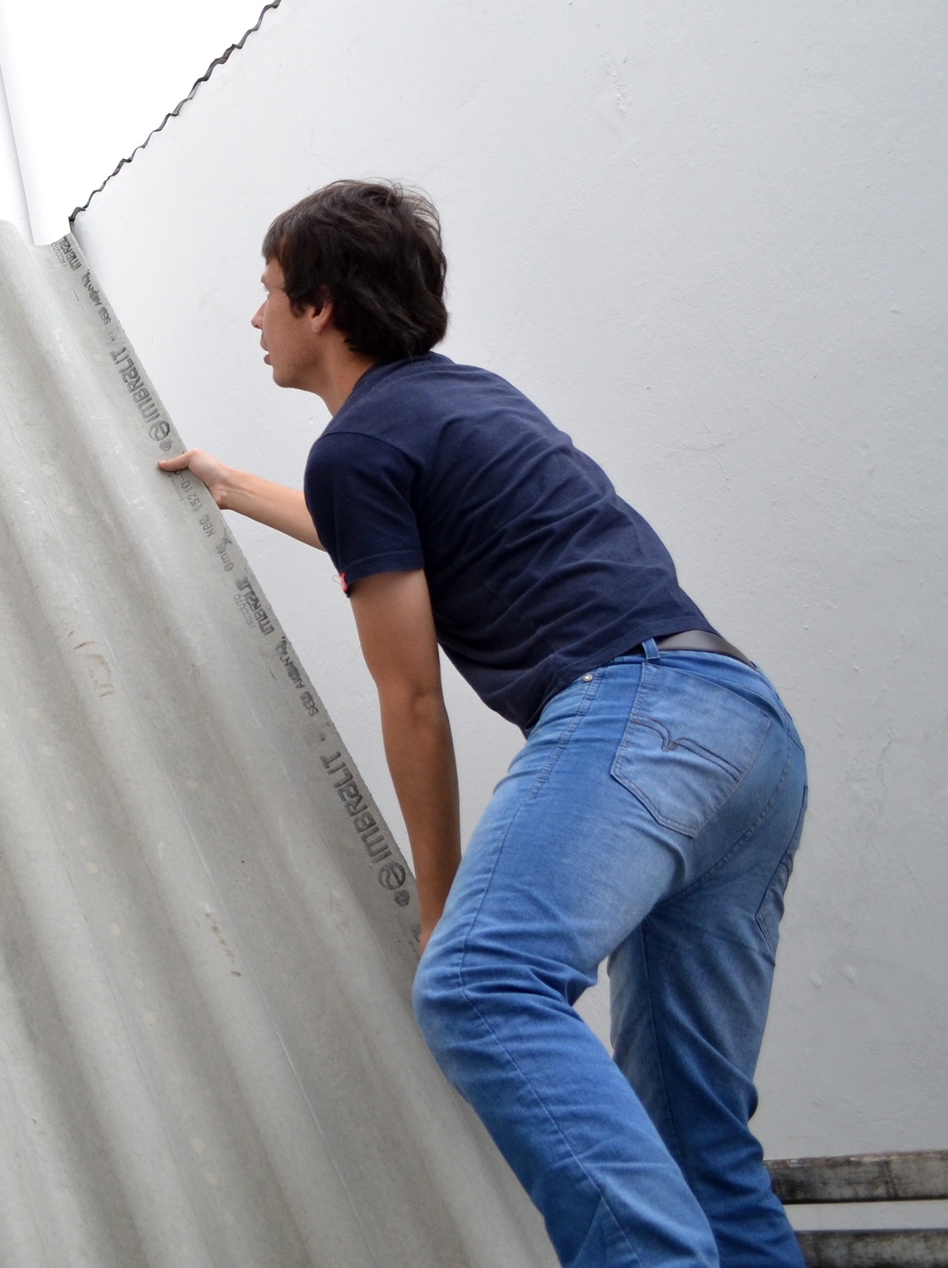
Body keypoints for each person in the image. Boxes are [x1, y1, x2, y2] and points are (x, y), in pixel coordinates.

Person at [159, 181, 808, 1268]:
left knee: (474, 982)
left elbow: (411, 694)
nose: (255, 316)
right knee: (696, 1137)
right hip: (745, 735)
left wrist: (436, 896)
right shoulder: (466, 400)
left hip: (634, 713)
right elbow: (379, 535)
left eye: (267, 292)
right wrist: (231, 486)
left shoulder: (363, 444)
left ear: (320, 307)